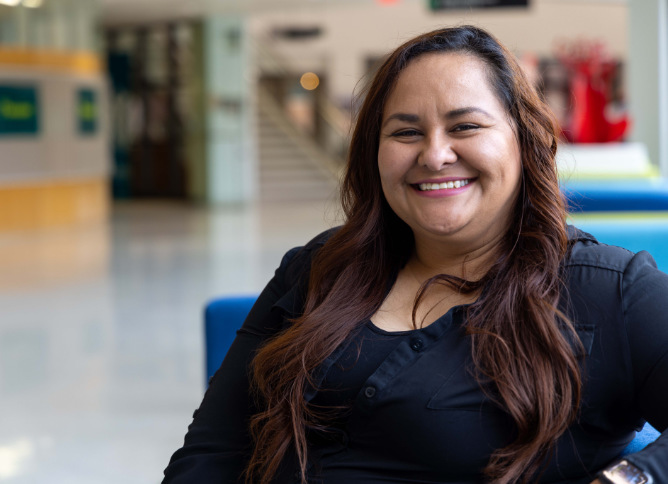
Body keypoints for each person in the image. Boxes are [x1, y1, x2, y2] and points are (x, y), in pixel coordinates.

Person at [163, 26, 667, 484]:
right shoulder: (317, 267)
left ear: (524, 140)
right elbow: (214, 449)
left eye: (465, 126)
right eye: (405, 132)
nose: (434, 154)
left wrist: (627, 480)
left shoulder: (608, 289)